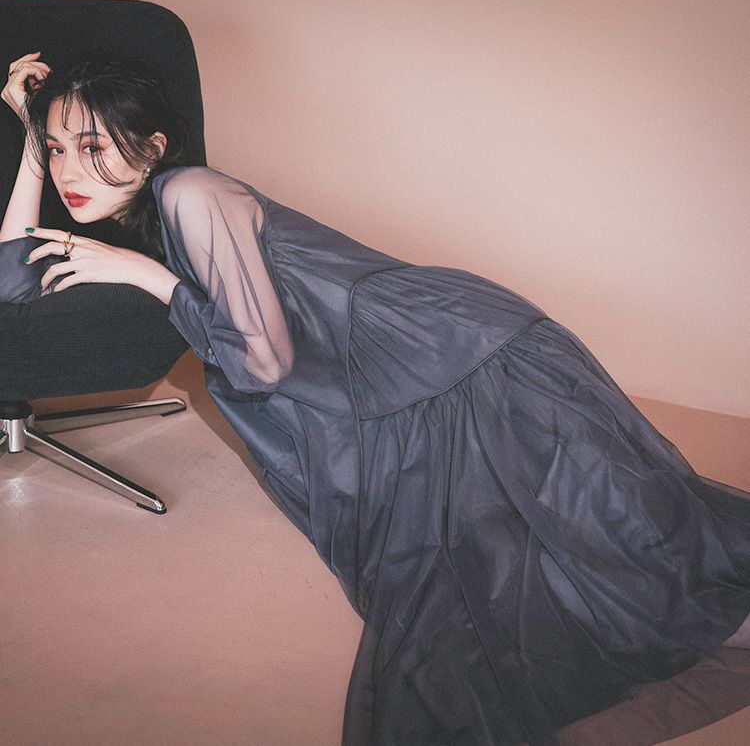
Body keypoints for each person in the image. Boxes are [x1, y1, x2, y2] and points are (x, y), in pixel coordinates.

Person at [2, 51, 749, 746]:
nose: (73, 170)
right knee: (523, 554)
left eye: (93, 146)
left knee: (623, 539)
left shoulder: (191, 193)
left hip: (463, 353)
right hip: (396, 371)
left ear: (154, 147)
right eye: (60, 150)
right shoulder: (136, 209)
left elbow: (263, 363)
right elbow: (11, 281)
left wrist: (150, 278)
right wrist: (32, 139)